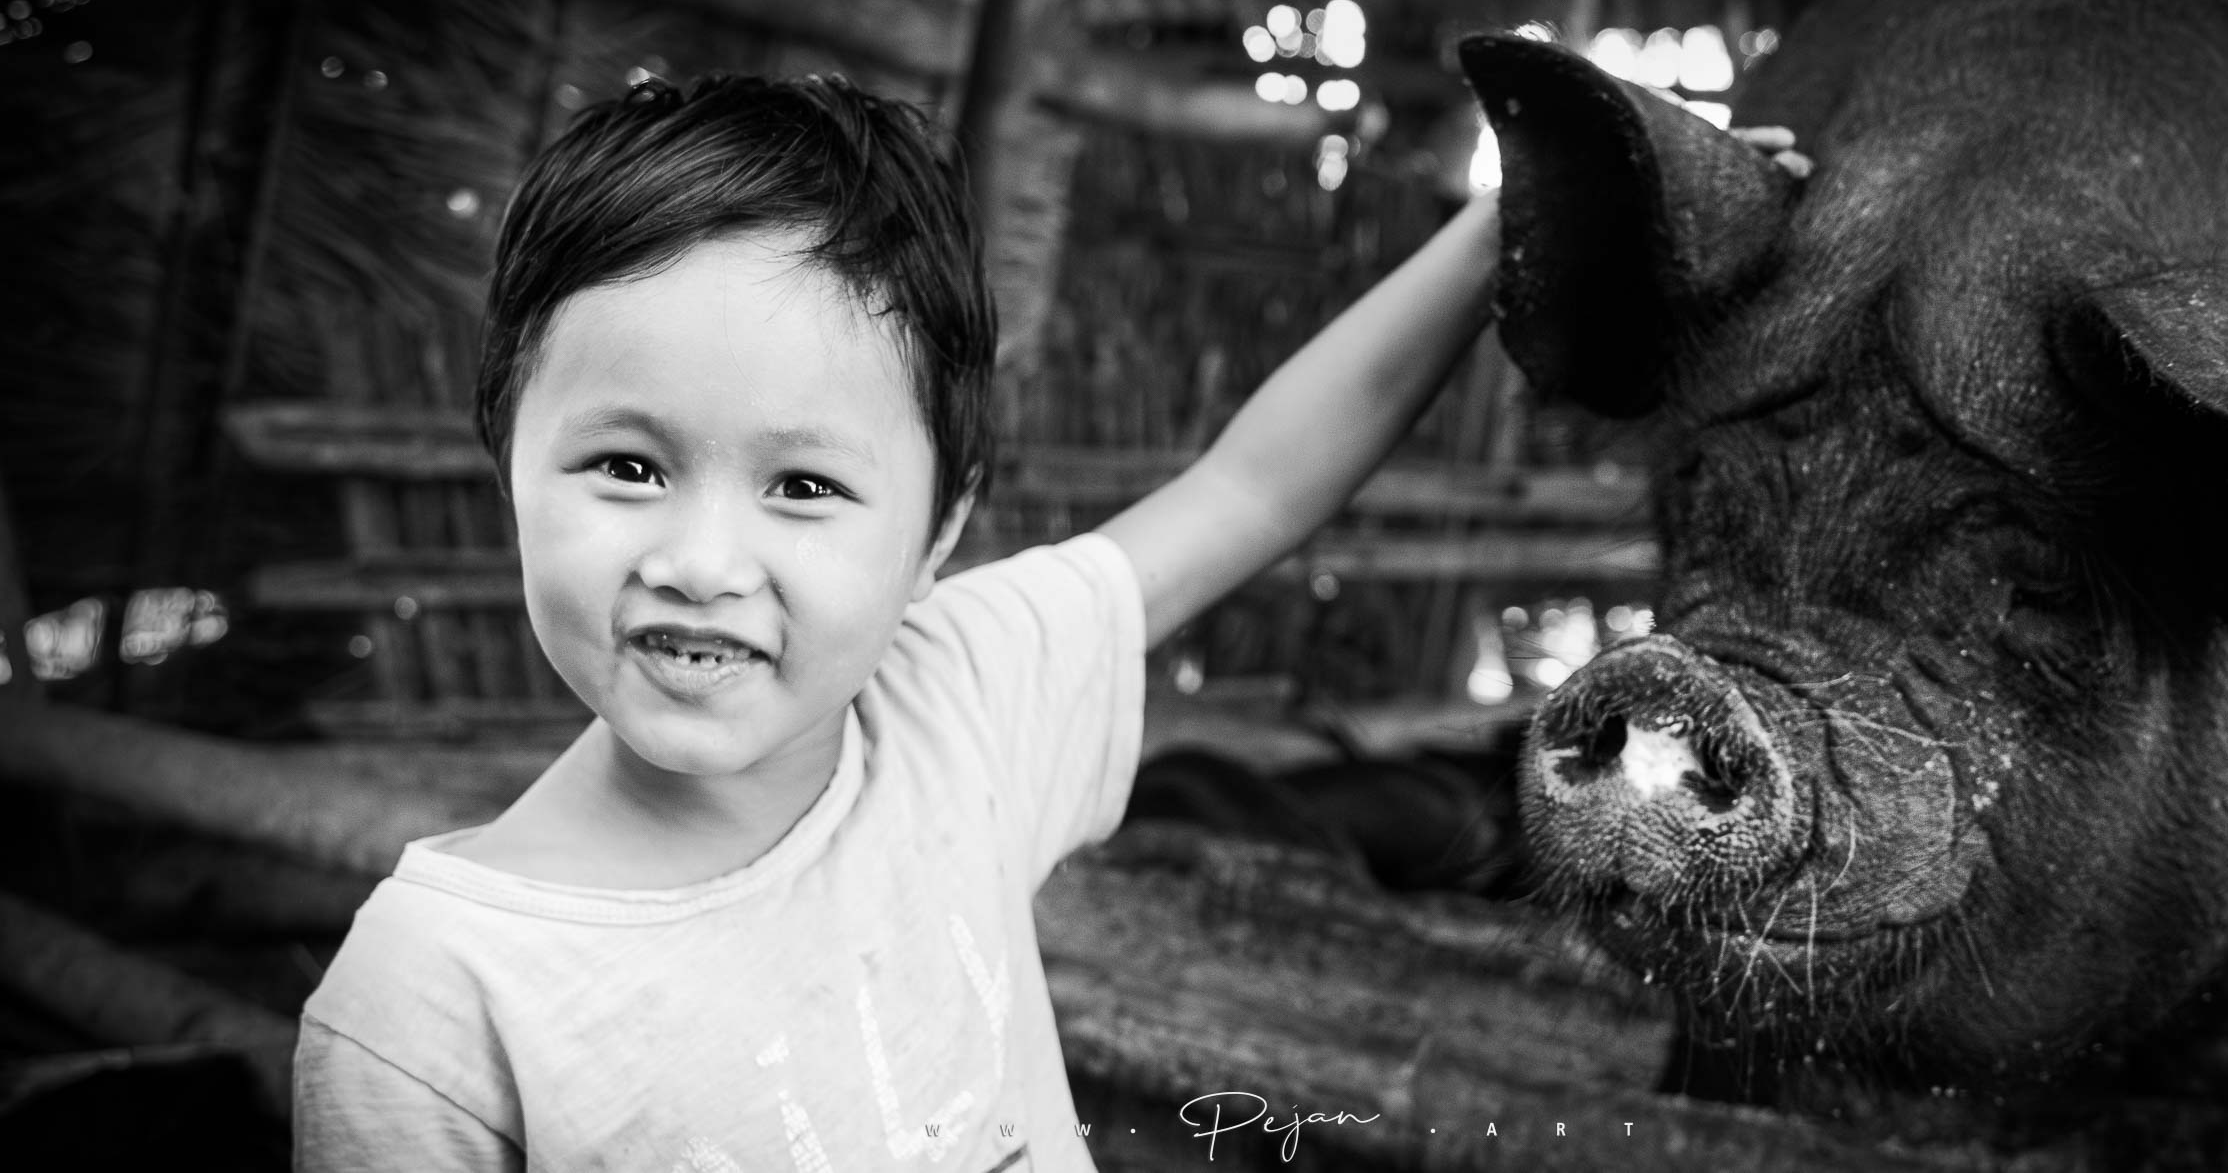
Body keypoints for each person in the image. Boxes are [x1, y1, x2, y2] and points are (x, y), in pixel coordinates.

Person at [293, 72, 1795, 1171]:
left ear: (936, 534)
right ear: (506, 455)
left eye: (805, 484)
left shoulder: (953, 699)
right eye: (627, 464)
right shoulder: (429, 1003)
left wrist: (1499, 232)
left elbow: (1255, 485)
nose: (701, 558)